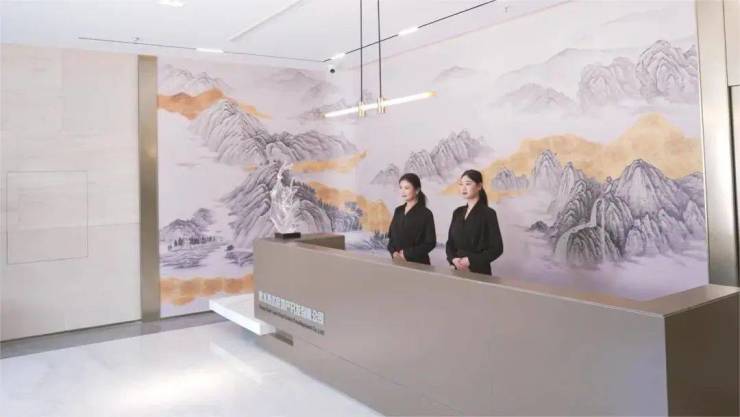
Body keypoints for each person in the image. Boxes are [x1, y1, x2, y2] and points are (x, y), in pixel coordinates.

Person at [446, 169, 503, 275]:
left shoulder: (489, 214)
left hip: (479, 271)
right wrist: (453, 259)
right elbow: (450, 243)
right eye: (461, 184)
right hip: (456, 269)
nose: (463, 188)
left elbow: (497, 249)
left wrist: (471, 260)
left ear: (479, 186)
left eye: (468, 184)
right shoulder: (457, 212)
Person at [387, 173, 437, 265]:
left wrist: (406, 254)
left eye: (406, 188)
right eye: (401, 188)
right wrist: (393, 252)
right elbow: (391, 238)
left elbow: (430, 243)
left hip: (418, 264)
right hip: (397, 262)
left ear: (417, 190)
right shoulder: (398, 210)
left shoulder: (426, 214)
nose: (402, 191)